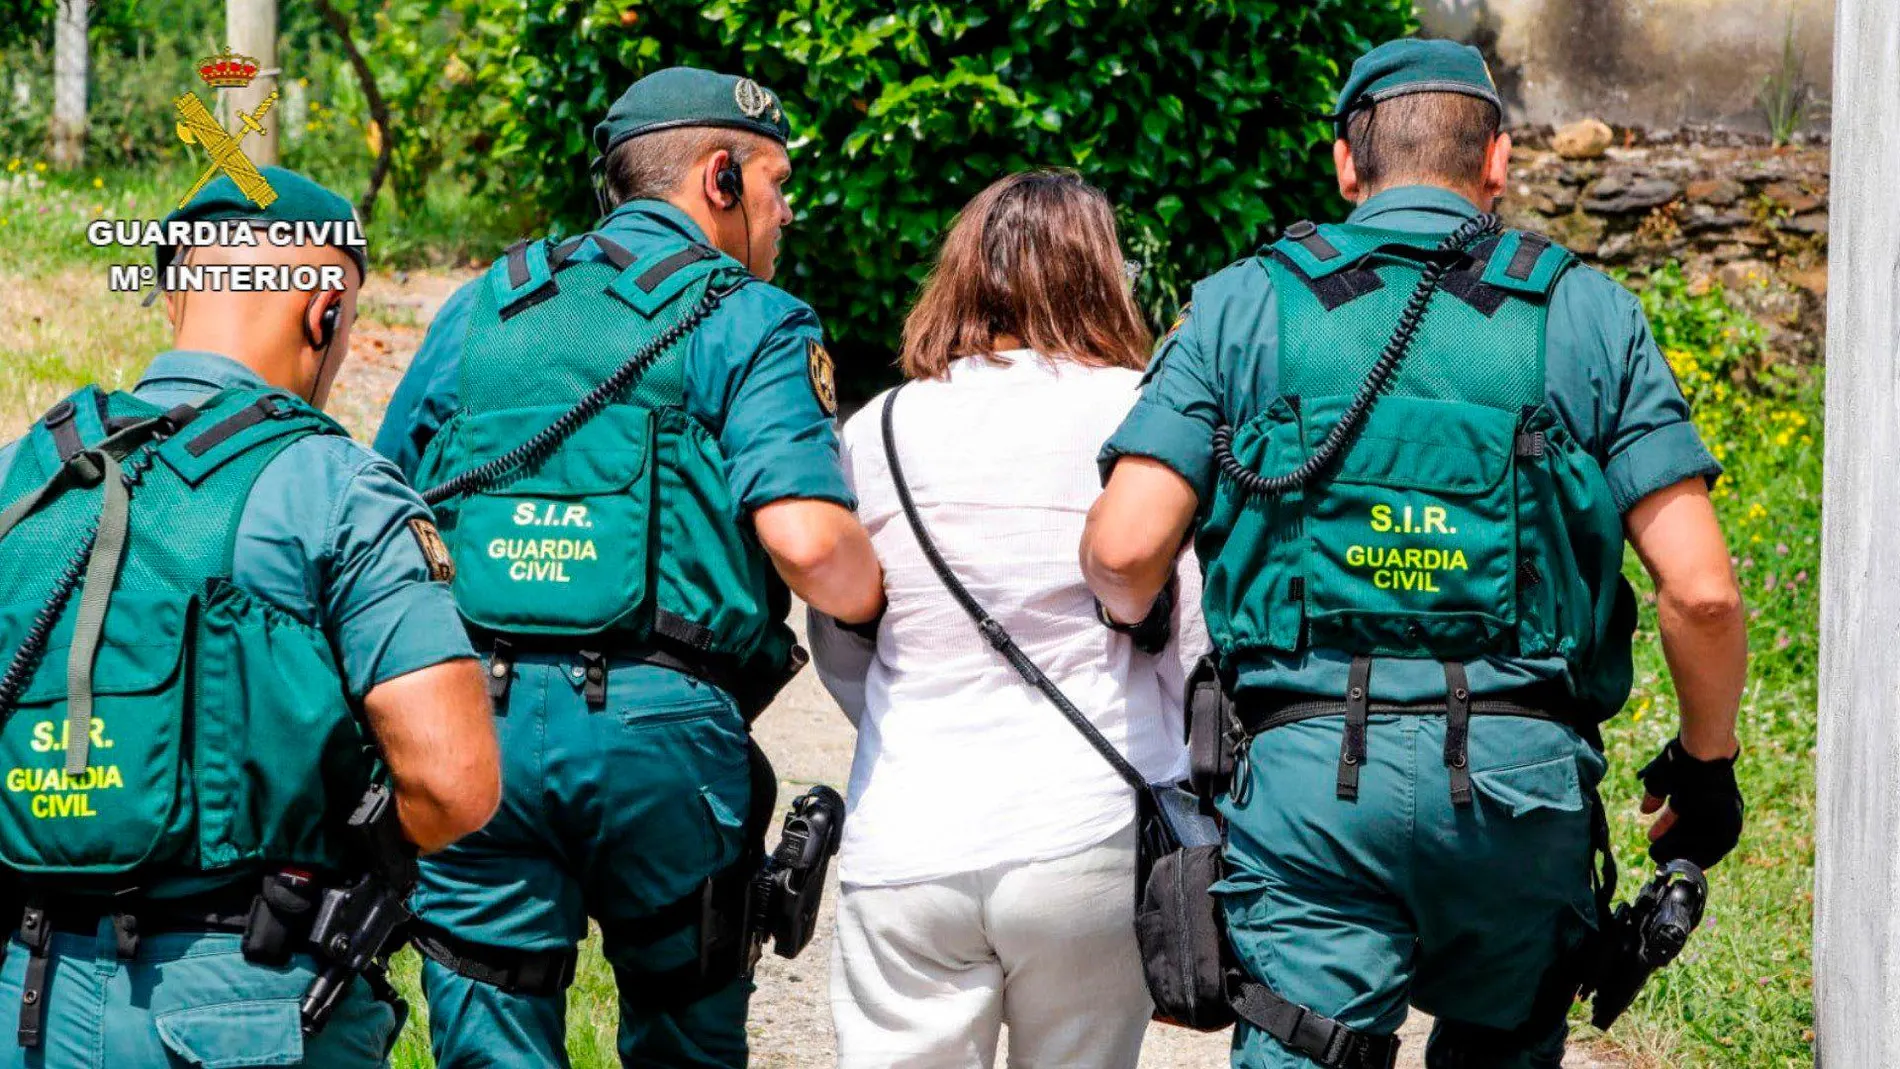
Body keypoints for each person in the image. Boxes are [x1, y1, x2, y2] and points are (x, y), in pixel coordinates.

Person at [1081, 39, 1748, 1069]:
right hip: (1520, 795)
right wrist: (1706, 770)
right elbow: (1700, 593)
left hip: (1312, 796)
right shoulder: (1588, 313)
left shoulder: (1241, 305)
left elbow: (1124, 551)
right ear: (1498, 163)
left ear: (1346, 165)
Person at [374, 67, 884, 1068]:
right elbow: (814, 544)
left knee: (489, 1038)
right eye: (777, 188)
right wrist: (877, 601)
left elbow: (381, 511)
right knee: (685, 1035)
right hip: (662, 741)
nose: (784, 219)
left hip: (477, 729)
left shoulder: (484, 305)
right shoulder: (753, 319)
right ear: (719, 178)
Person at [0, 167, 500, 1068]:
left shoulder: (21, 474)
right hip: (242, 1008)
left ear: (174, 299)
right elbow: (456, 778)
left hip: (18, 999)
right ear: (324, 310)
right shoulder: (336, 487)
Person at [809, 170, 1207, 1069]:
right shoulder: (1145, 414)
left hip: (907, 826)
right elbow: (1193, 640)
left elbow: (840, 635)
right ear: (1100, 273)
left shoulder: (878, 428)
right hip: (1088, 827)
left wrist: (894, 716)